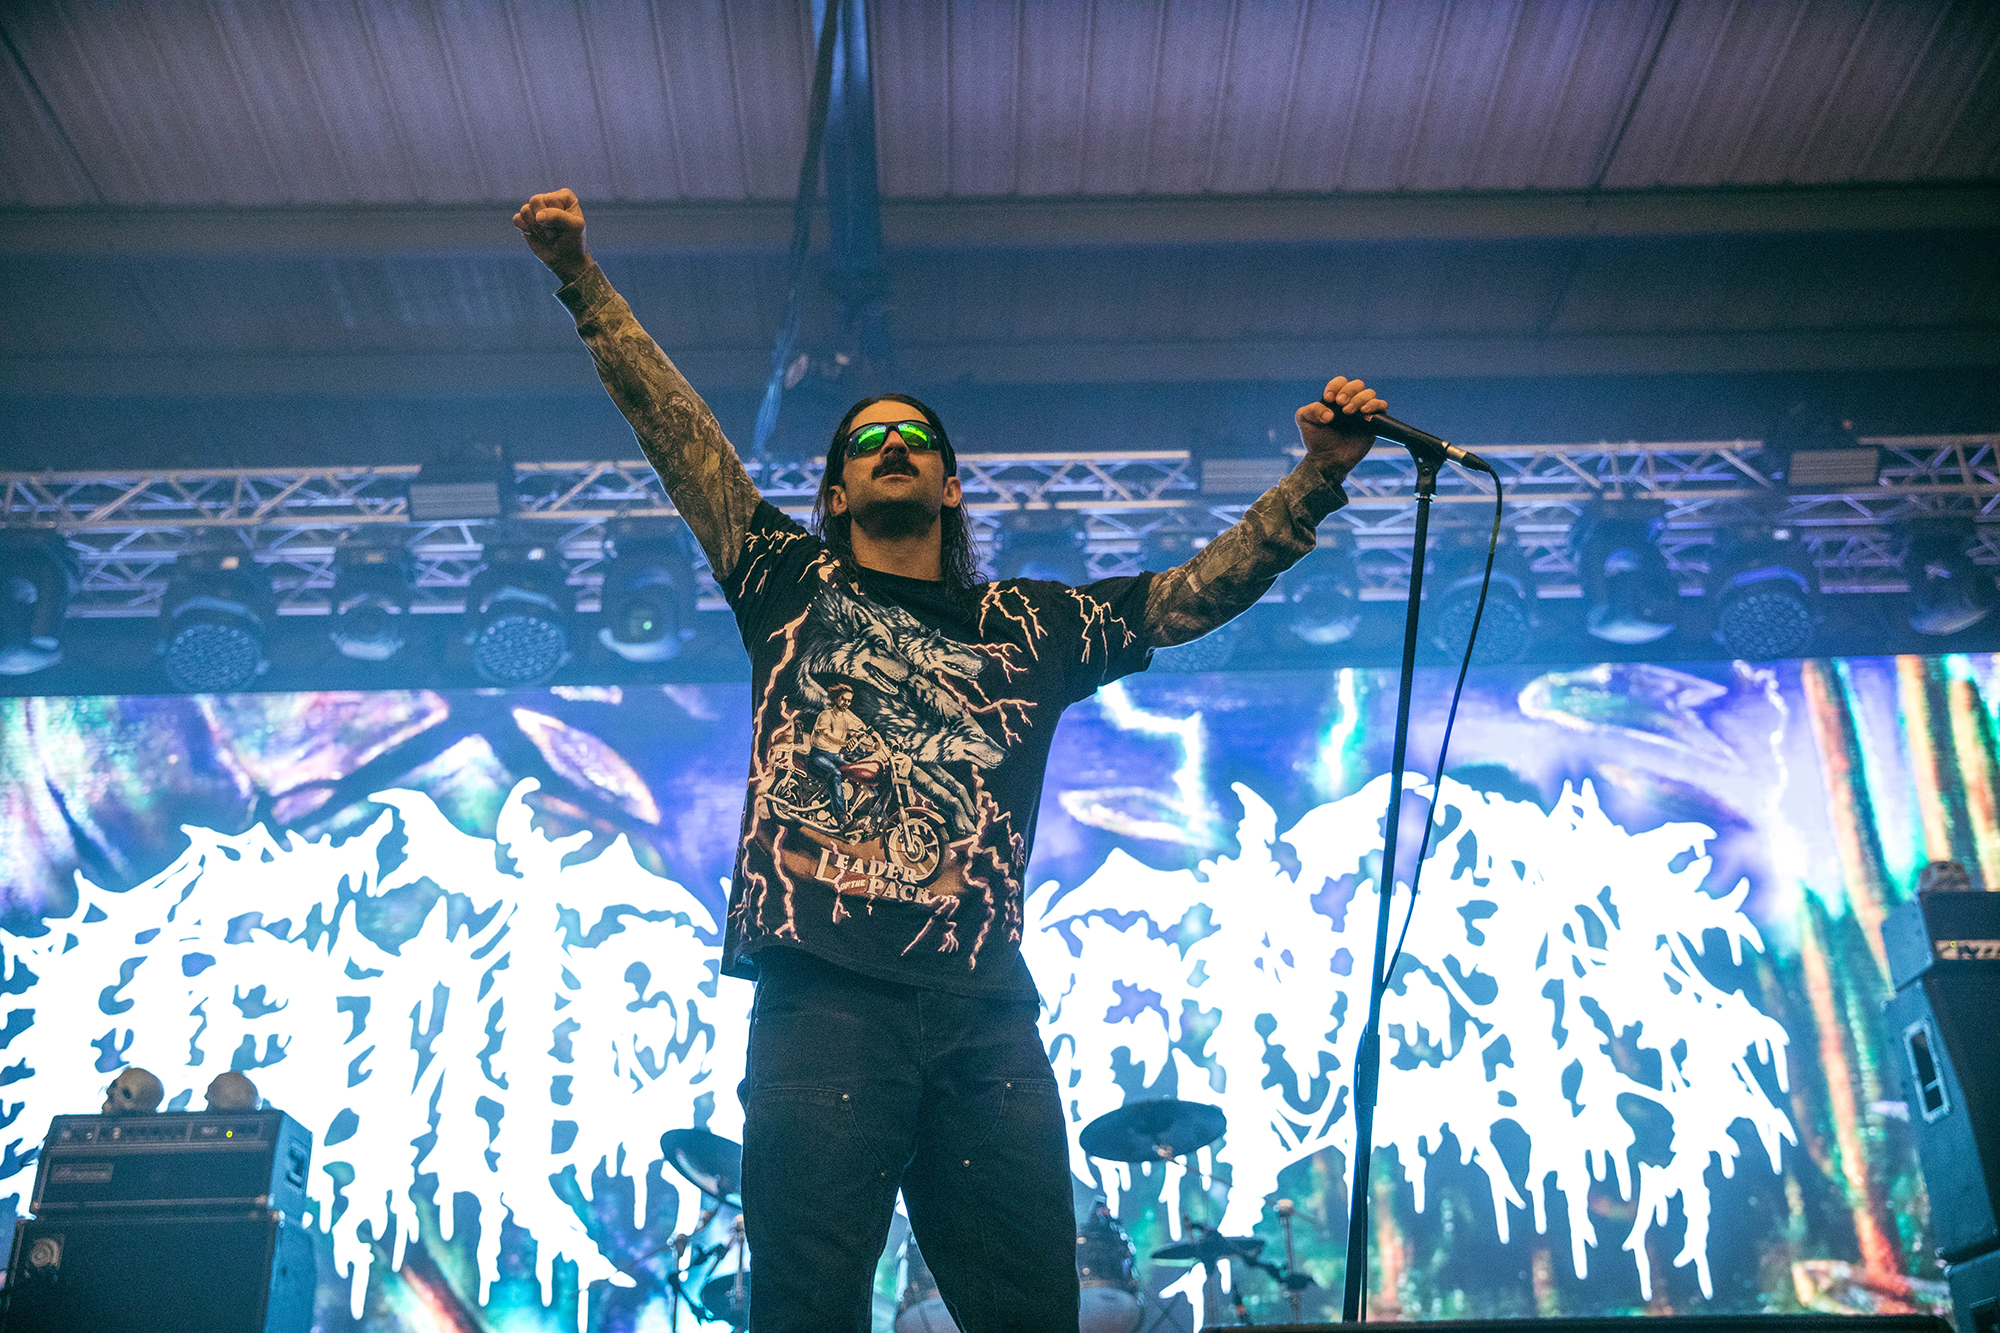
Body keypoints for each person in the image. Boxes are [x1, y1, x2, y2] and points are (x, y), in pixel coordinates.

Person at [514, 187, 1386, 1333]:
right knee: (805, 1308)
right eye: (866, 441)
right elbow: (681, 438)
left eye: (914, 438)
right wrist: (581, 281)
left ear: (950, 483)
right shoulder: (784, 582)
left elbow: (1186, 598)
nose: (892, 446)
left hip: (982, 1013)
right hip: (821, 996)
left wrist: (1317, 477)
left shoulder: (1029, 627)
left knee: (1030, 1310)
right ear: (834, 492)